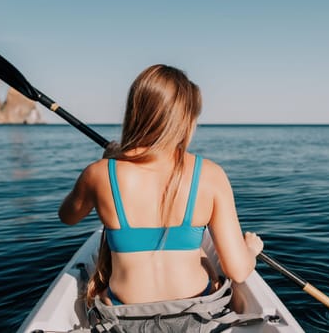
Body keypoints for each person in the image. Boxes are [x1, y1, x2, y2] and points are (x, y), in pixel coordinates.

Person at [58, 64, 263, 315]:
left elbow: (67, 216)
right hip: (196, 314)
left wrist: (109, 161)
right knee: (201, 254)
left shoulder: (99, 173)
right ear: (185, 119)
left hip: (125, 317)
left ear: (136, 112)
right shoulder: (211, 175)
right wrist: (251, 249)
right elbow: (239, 270)